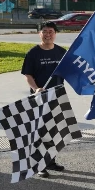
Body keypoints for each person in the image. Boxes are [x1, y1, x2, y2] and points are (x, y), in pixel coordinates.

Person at [21, 21, 67, 178]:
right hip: (39, 98)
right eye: (45, 31)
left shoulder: (62, 52)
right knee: (40, 131)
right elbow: (28, 75)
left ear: (55, 34)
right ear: (40, 34)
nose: (48, 34)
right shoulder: (33, 53)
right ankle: (39, 165)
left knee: (54, 131)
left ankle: (51, 160)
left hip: (57, 97)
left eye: (51, 31)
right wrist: (36, 89)